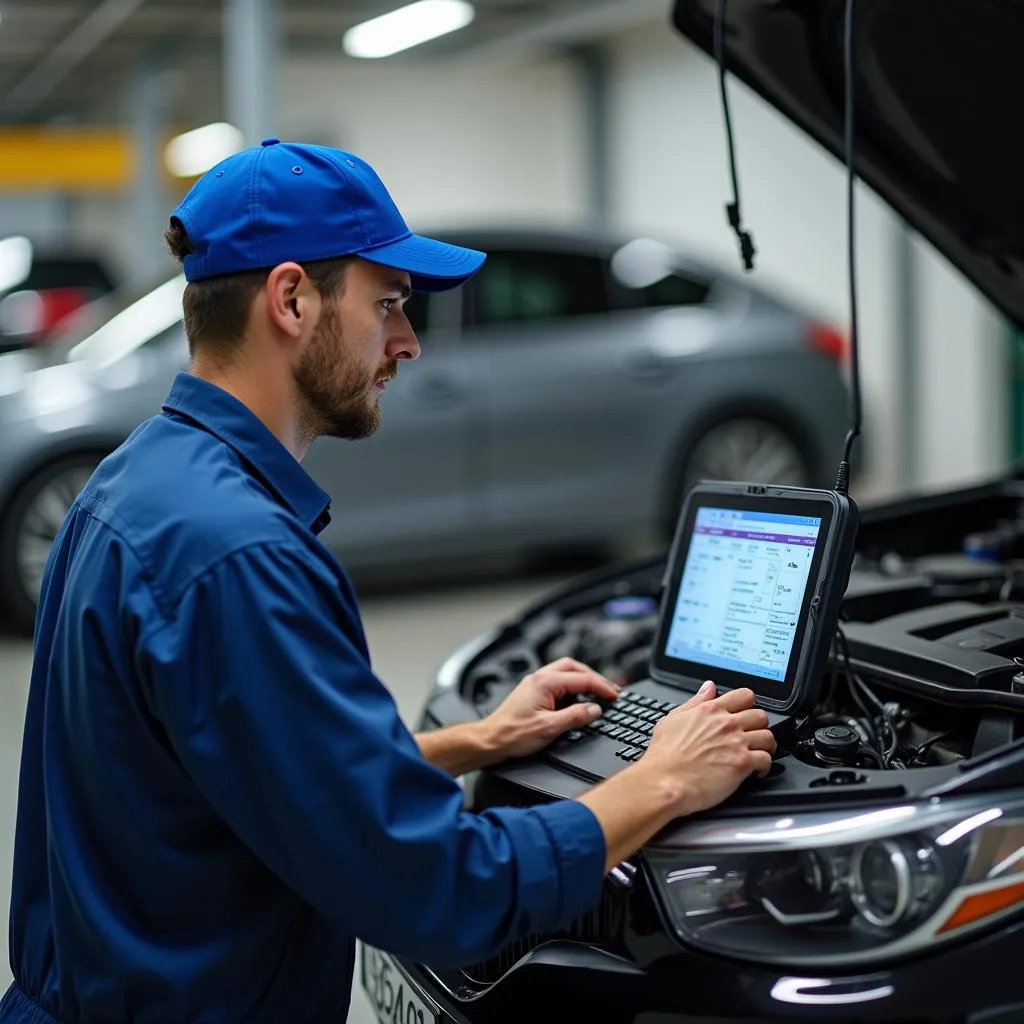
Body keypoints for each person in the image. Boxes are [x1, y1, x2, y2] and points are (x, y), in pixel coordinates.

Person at [1, 139, 775, 1024]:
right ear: (291, 299)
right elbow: (438, 891)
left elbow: (237, 774)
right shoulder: (241, 558)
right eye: (390, 304)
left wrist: (473, 742)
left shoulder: (136, 482)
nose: (407, 343)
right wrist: (663, 780)